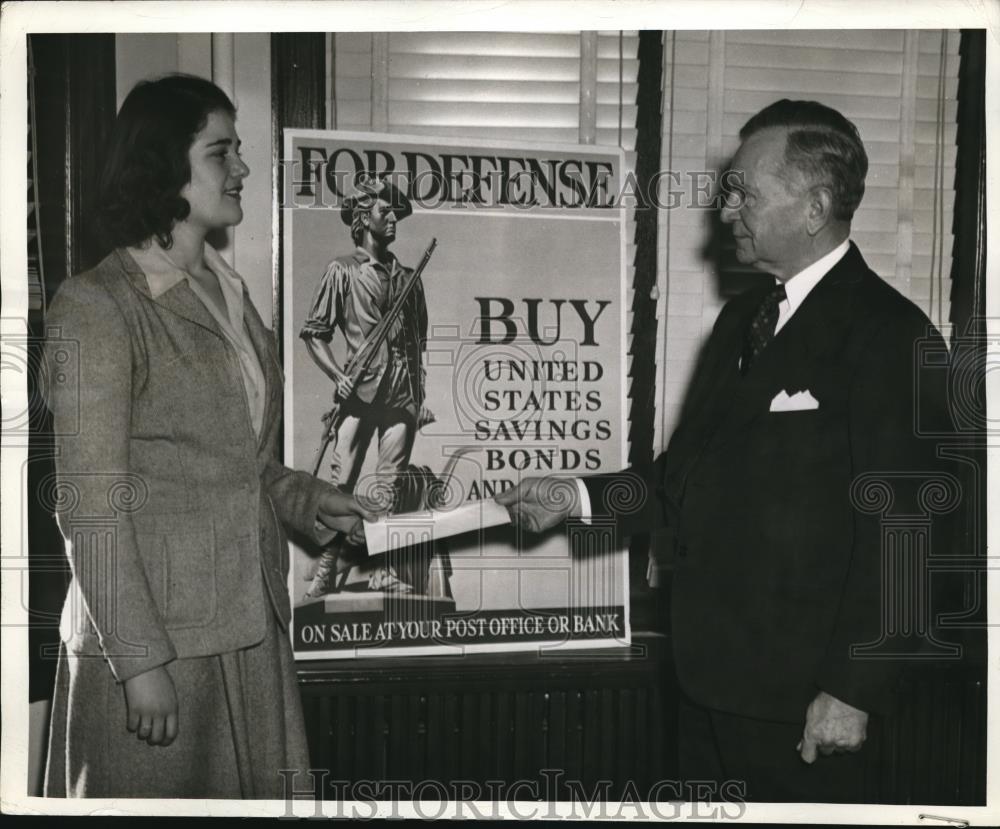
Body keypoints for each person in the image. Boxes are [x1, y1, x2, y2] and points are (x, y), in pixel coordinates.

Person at [498, 99, 954, 803]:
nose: (725, 209)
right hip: (708, 686)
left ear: (815, 206)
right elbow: (683, 479)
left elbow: (909, 534)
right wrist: (578, 496)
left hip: (806, 705)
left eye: (745, 191)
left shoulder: (893, 335)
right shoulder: (745, 318)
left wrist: (852, 690)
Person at [42, 74, 374, 799]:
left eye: (238, 150)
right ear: (164, 165)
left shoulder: (229, 291)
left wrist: (308, 498)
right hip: (156, 642)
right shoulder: (96, 305)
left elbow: (238, 463)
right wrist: (139, 661)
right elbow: (87, 502)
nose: (243, 169)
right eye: (221, 152)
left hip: (249, 631)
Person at [299, 175, 431, 595]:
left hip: (400, 397)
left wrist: (419, 398)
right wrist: (337, 376)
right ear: (362, 218)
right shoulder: (342, 271)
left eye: (395, 212)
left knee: (387, 487)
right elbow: (314, 333)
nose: (392, 218)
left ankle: (384, 571)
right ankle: (325, 572)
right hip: (358, 394)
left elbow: (417, 343)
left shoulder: (410, 277)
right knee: (342, 488)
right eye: (383, 211)